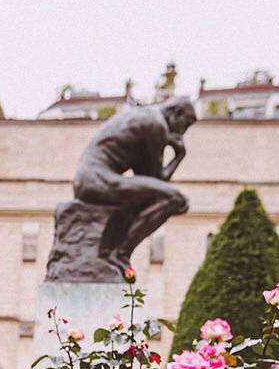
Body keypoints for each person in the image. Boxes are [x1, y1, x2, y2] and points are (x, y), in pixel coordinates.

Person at [72, 96, 197, 276]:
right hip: (97, 179)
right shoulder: (156, 124)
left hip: (90, 179)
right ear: (176, 113)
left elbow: (148, 181)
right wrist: (179, 156)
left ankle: (109, 250)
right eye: (185, 125)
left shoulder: (144, 117)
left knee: (151, 198)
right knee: (177, 200)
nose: (183, 132)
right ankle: (119, 254)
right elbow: (156, 180)